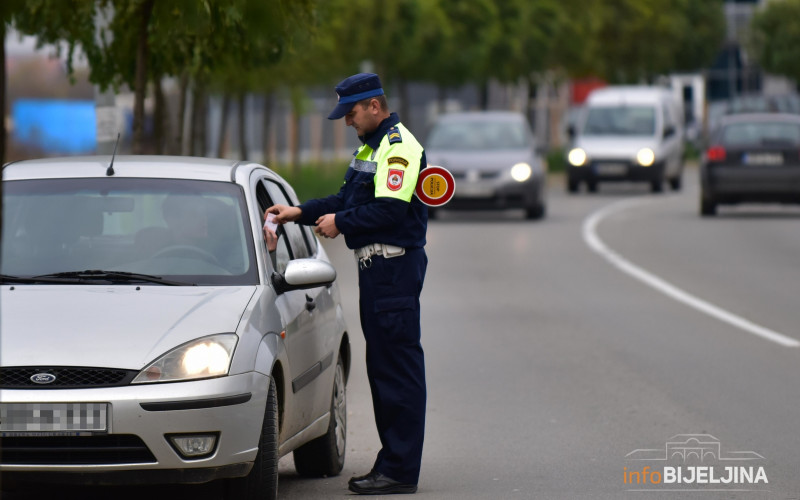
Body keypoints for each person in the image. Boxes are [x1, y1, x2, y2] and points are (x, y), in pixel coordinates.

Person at [265, 72, 428, 495]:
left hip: (394, 269)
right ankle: (393, 462)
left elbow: (390, 211)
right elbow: (346, 201)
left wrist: (342, 223)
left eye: (352, 113)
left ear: (375, 105)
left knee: (397, 372)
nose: (347, 122)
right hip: (378, 272)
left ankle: (399, 469)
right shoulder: (369, 149)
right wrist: (298, 212)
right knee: (383, 370)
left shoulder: (399, 149)